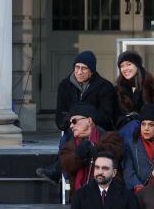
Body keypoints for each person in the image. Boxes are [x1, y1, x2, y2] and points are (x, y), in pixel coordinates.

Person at [37, 50, 117, 183]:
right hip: (72, 128)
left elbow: (106, 116)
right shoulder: (65, 85)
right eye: (77, 67)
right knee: (67, 138)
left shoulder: (105, 87)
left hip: (96, 128)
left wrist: (86, 121)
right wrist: (75, 122)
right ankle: (61, 172)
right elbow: (60, 116)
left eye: (84, 68)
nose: (79, 72)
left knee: (73, 137)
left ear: (91, 71)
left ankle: (57, 171)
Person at [59, 102, 124, 199]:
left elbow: (115, 151)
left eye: (74, 121)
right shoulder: (69, 145)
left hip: (109, 196)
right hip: (81, 199)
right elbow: (66, 165)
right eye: (70, 123)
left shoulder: (110, 136)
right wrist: (80, 155)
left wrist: (93, 147)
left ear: (89, 121)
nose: (71, 126)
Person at [114, 50, 154, 141]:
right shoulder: (117, 89)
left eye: (129, 64)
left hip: (152, 133)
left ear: (137, 65)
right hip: (126, 133)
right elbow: (115, 116)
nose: (125, 68)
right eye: (122, 66)